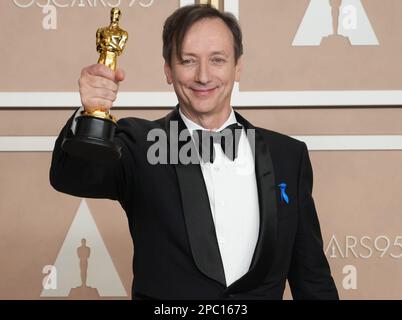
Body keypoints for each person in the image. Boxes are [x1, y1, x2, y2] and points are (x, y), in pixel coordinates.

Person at [50, 4, 339, 300]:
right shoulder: (139, 143)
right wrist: (90, 112)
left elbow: (312, 279)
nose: (203, 76)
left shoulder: (288, 156)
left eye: (217, 60)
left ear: (237, 66)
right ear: (168, 70)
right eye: (188, 61)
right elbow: (71, 176)